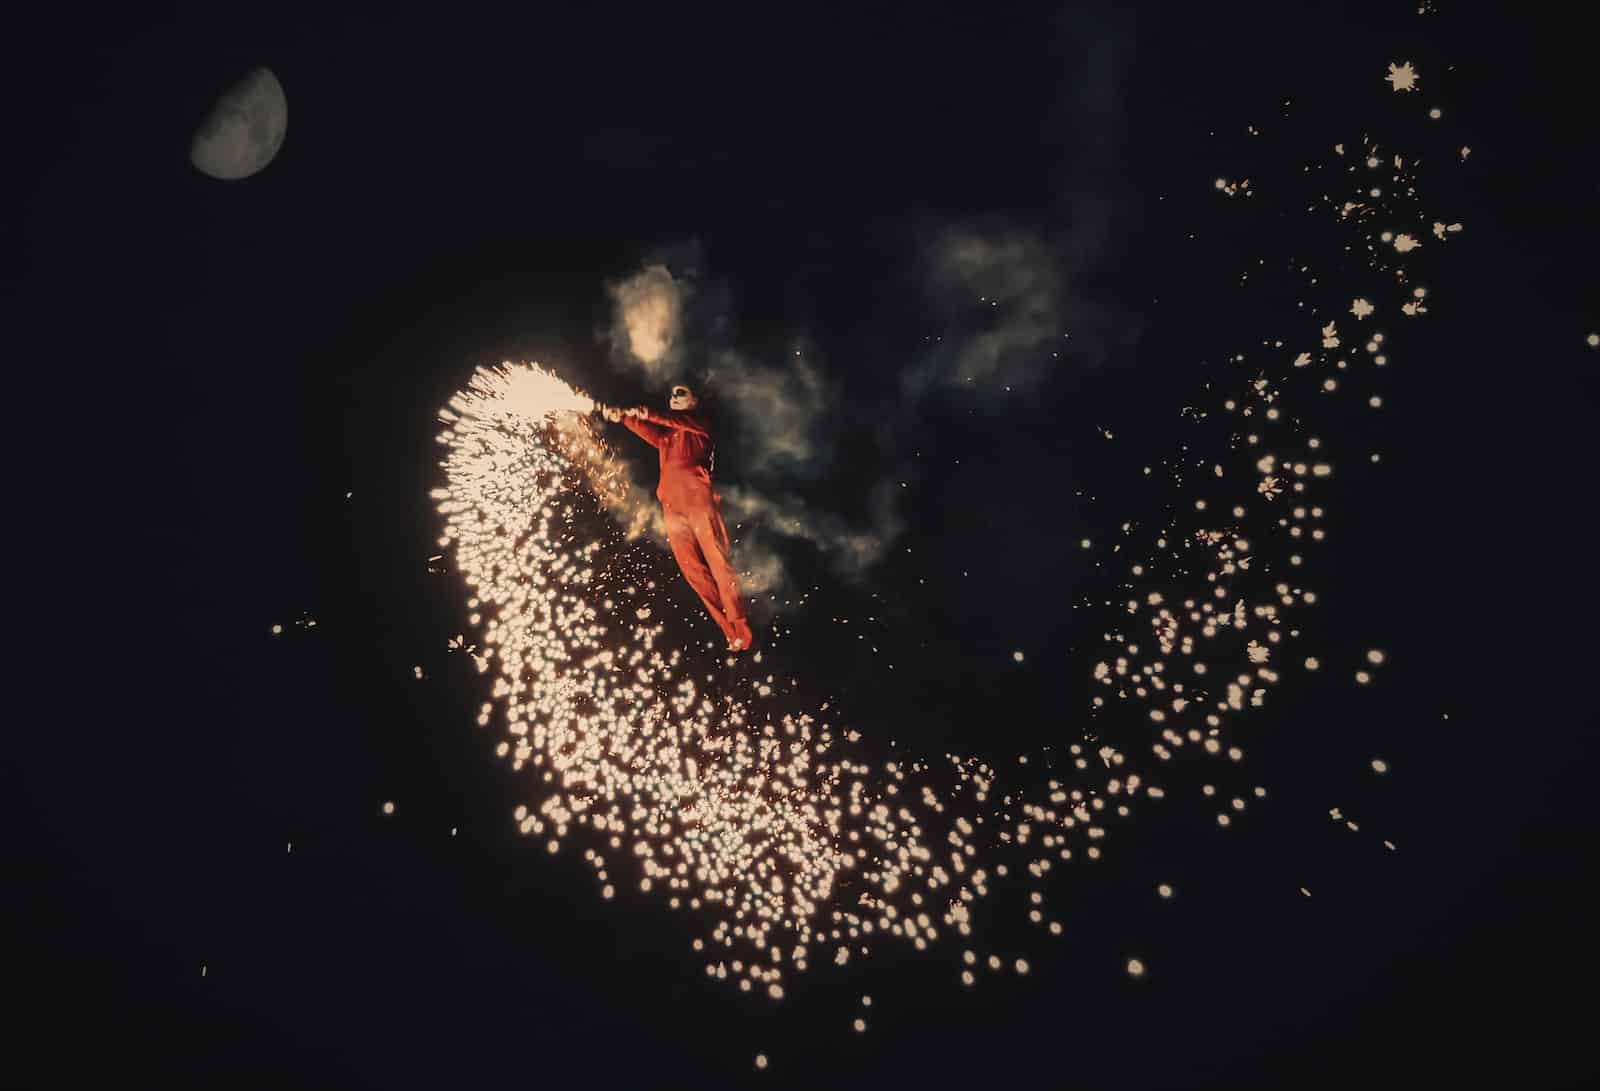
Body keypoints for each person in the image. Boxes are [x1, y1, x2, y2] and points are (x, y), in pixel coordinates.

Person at [598, 383, 754, 651]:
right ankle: (729, 631)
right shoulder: (667, 437)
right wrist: (623, 417)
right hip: (672, 507)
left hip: (698, 501)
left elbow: (665, 418)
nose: (674, 396)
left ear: (696, 400)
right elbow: (652, 430)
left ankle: (739, 623)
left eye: (681, 393)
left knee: (717, 560)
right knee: (692, 570)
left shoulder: (700, 424)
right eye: (671, 393)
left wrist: (645, 412)